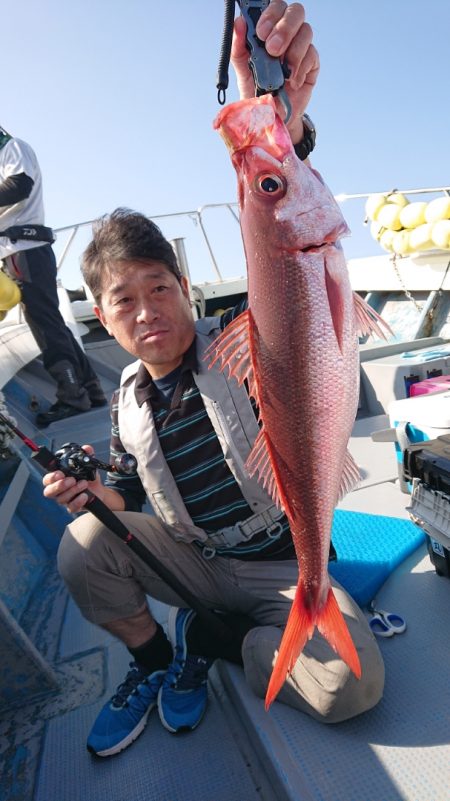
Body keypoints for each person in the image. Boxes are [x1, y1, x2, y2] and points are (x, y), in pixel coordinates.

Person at [43, 1, 384, 758]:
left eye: (159, 287)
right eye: (123, 299)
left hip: (279, 559)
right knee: (80, 543)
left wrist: (280, 119)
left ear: (186, 287)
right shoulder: (125, 400)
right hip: (196, 561)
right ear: (101, 314)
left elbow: (286, 271)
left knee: (351, 688)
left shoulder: (246, 342)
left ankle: (223, 639)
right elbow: (135, 494)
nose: (147, 310)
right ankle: (162, 660)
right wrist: (96, 494)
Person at [0, 126, 107, 426]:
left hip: (25, 250)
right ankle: (91, 389)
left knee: (44, 323)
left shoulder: (13, 148)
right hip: (23, 251)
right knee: (51, 321)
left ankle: (72, 395)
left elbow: (20, 185)